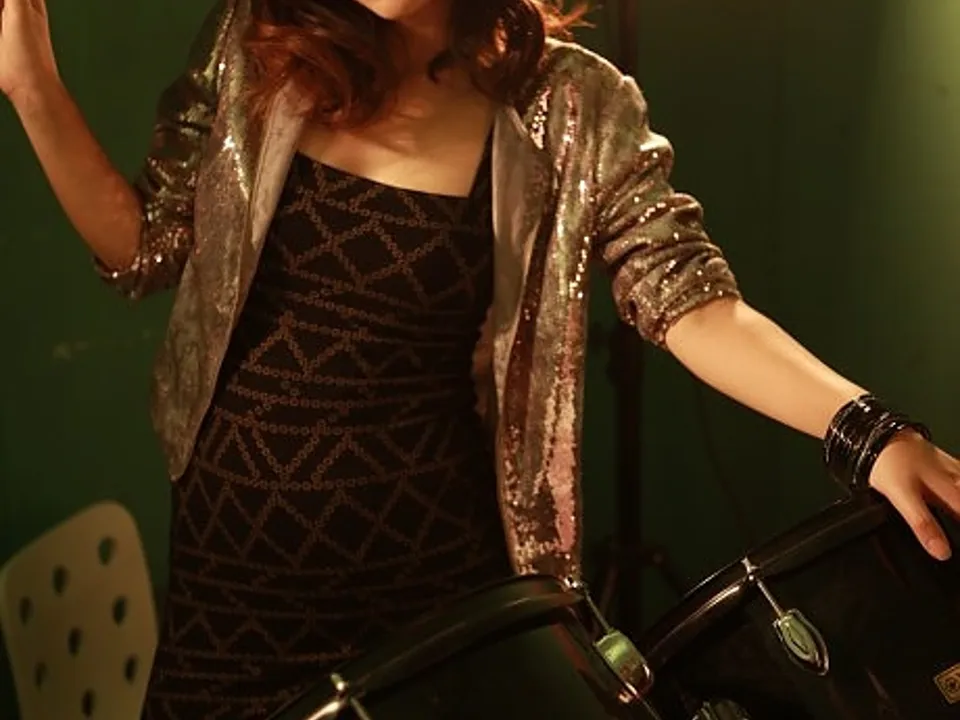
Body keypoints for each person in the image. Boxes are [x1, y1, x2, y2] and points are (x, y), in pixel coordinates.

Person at [1, 0, 958, 717]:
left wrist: (868, 431)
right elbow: (148, 248)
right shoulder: (255, 40)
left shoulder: (570, 104)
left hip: (427, 599)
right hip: (229, 590)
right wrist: (31, 84)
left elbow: (692, 303)